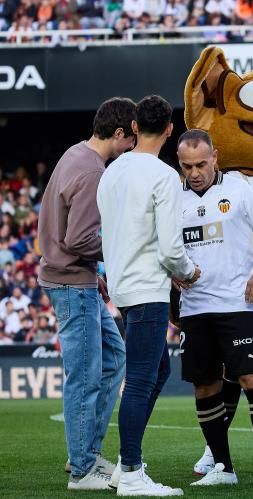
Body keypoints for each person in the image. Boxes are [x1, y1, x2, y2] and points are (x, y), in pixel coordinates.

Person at [97, 95, 202, 496]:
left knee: (156, 372)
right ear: (171, 130)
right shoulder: (163, 177)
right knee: (141, 380)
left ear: (136, 127)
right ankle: (131, 470)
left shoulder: (112, 172)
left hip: (124, 285)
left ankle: (128, 466)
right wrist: (189, 272)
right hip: (147, 289)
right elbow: (171, 250)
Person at [174, 129, 253, 488]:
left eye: (201, 164)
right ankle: (223, 467)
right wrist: (171, 273)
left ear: (215, 157)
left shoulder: (240, 190)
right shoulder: (173, 199)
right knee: (204, 386)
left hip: (240, 304)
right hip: (195, 307)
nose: (194, 172)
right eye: (187, 166)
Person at [38, 97, 135, 490]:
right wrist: (118, 252)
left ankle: (85, 451)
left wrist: (95, 273)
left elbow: (67, 232)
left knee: (114, 357)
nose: (131, 147)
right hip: (70, 283)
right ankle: (81, 469)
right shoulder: (93, 171)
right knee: (84, 376)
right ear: (117, 134)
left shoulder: (76, 153)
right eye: (130, 139)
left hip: (75, 278)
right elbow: (78, 237)